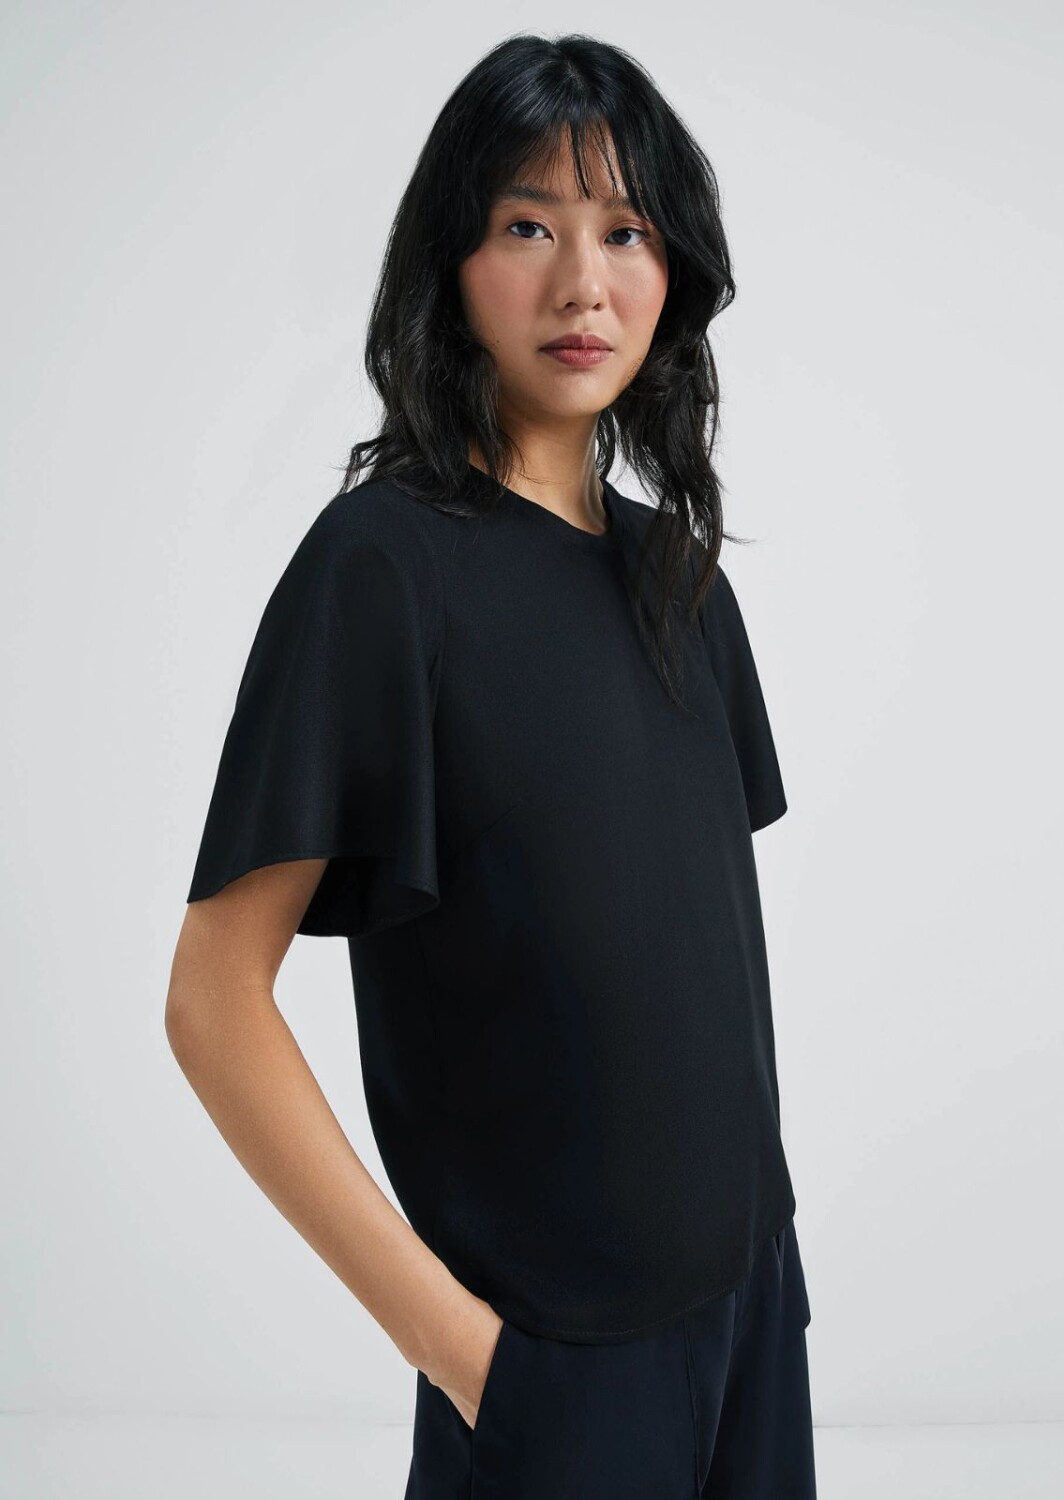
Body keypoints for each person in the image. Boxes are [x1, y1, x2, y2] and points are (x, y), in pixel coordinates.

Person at [166, 31, 816, 1500]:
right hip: (548, 1366)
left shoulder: (683, 578)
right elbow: (211, 1000)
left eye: (625, 231)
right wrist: (466, 1355)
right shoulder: (382, 568)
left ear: (674, 270)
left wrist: (764, 1261)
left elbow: (695, 970)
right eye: (529, 226)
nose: (584, 284)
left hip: (753, 1302)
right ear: (450, 262)